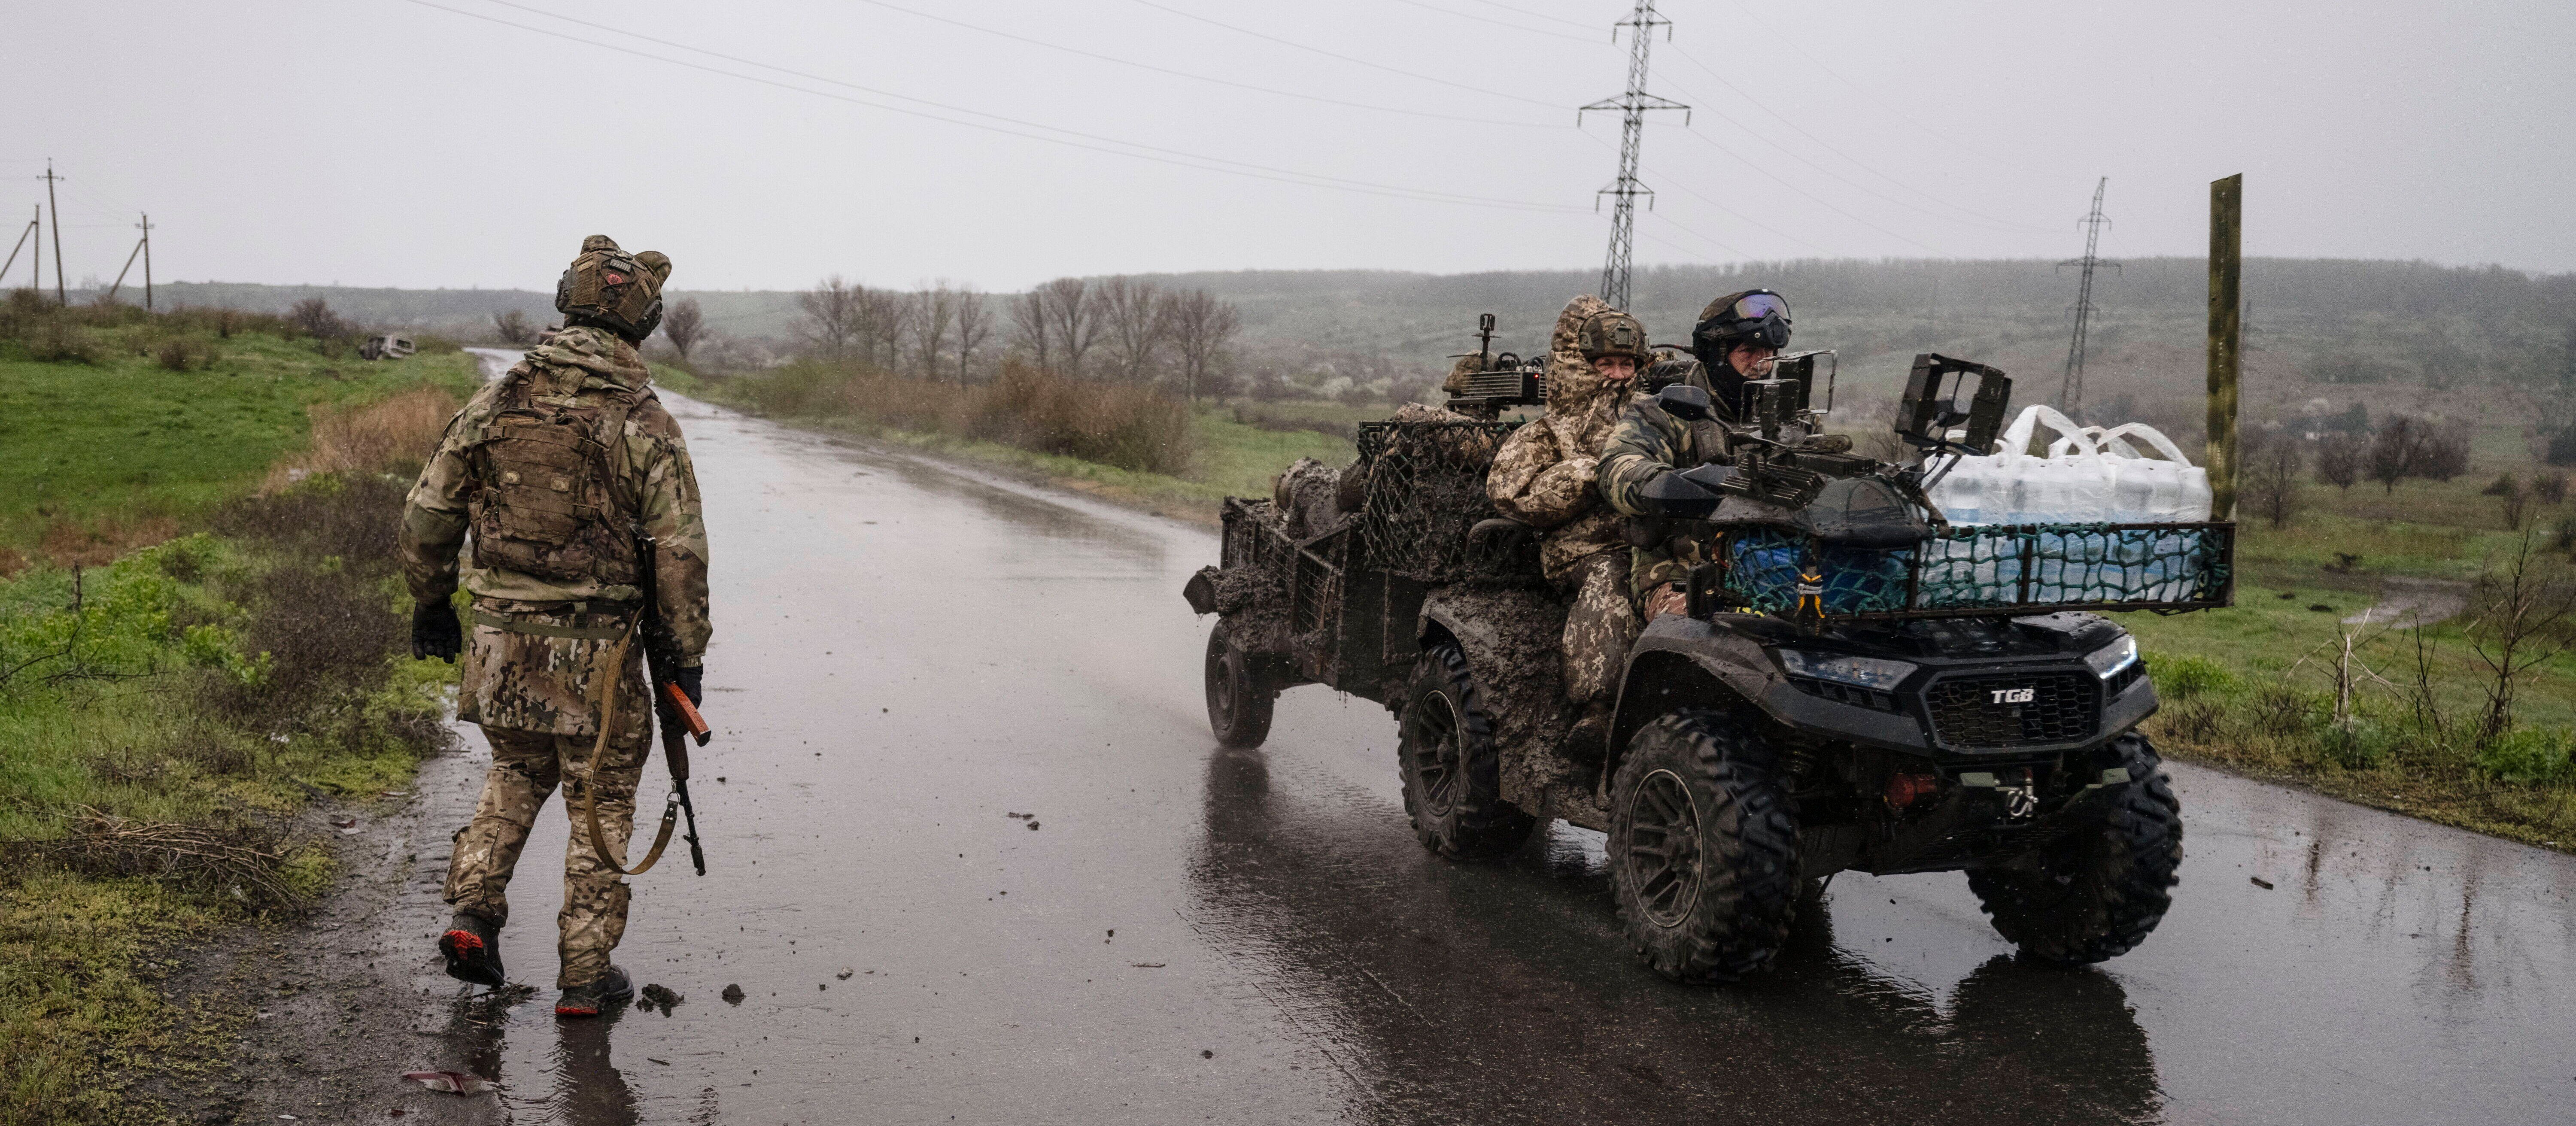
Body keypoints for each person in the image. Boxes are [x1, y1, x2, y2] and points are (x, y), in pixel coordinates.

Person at [400, 234, 711, 1018]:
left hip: (500, 643)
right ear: (644, 324)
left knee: (514, 771)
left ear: (567, 305)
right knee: (601, 798)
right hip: (601, 660)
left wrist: (432, 602)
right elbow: (679, 553)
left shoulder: (494, 403)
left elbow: (428, 511)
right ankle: (584, 975)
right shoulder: (646, 421)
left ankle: (474, 915)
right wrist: (687, 660)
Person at [1485, 295, 1653, 751]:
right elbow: (1509, 490)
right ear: (1582, 366)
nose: (1618, 374)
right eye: (1606, 364)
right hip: (1584, 550)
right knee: (1611, 581)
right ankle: (1598, 710)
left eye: (1627, 364)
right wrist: (1591, 475)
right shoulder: (1552, 430)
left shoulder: (1652, 415)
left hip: (1652, 542)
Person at [1599, 289, 1806, 619]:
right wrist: (1671, 485)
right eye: (1749, 351)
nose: (1763, 364)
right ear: (1716, 355)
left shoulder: (1789, 419)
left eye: (1770, 352)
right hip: (1682, 571)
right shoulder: (1664, 411)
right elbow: (1616, 468)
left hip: (1775, 566)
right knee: (1710, 632)